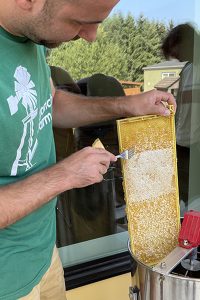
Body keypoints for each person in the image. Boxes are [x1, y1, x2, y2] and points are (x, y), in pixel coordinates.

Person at [0, 0, 176, 299]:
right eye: (80, 21)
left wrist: (124, 105)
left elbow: (51, 102)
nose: (92, 36)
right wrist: (63, 175)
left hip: (43, 255)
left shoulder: (31, 37)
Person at [161, 23, 200, 211]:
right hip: (181, 146)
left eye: (177, 52)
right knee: (184, 199)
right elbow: (181, 109)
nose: (177, 58)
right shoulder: (186, 70)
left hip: (197, 147)